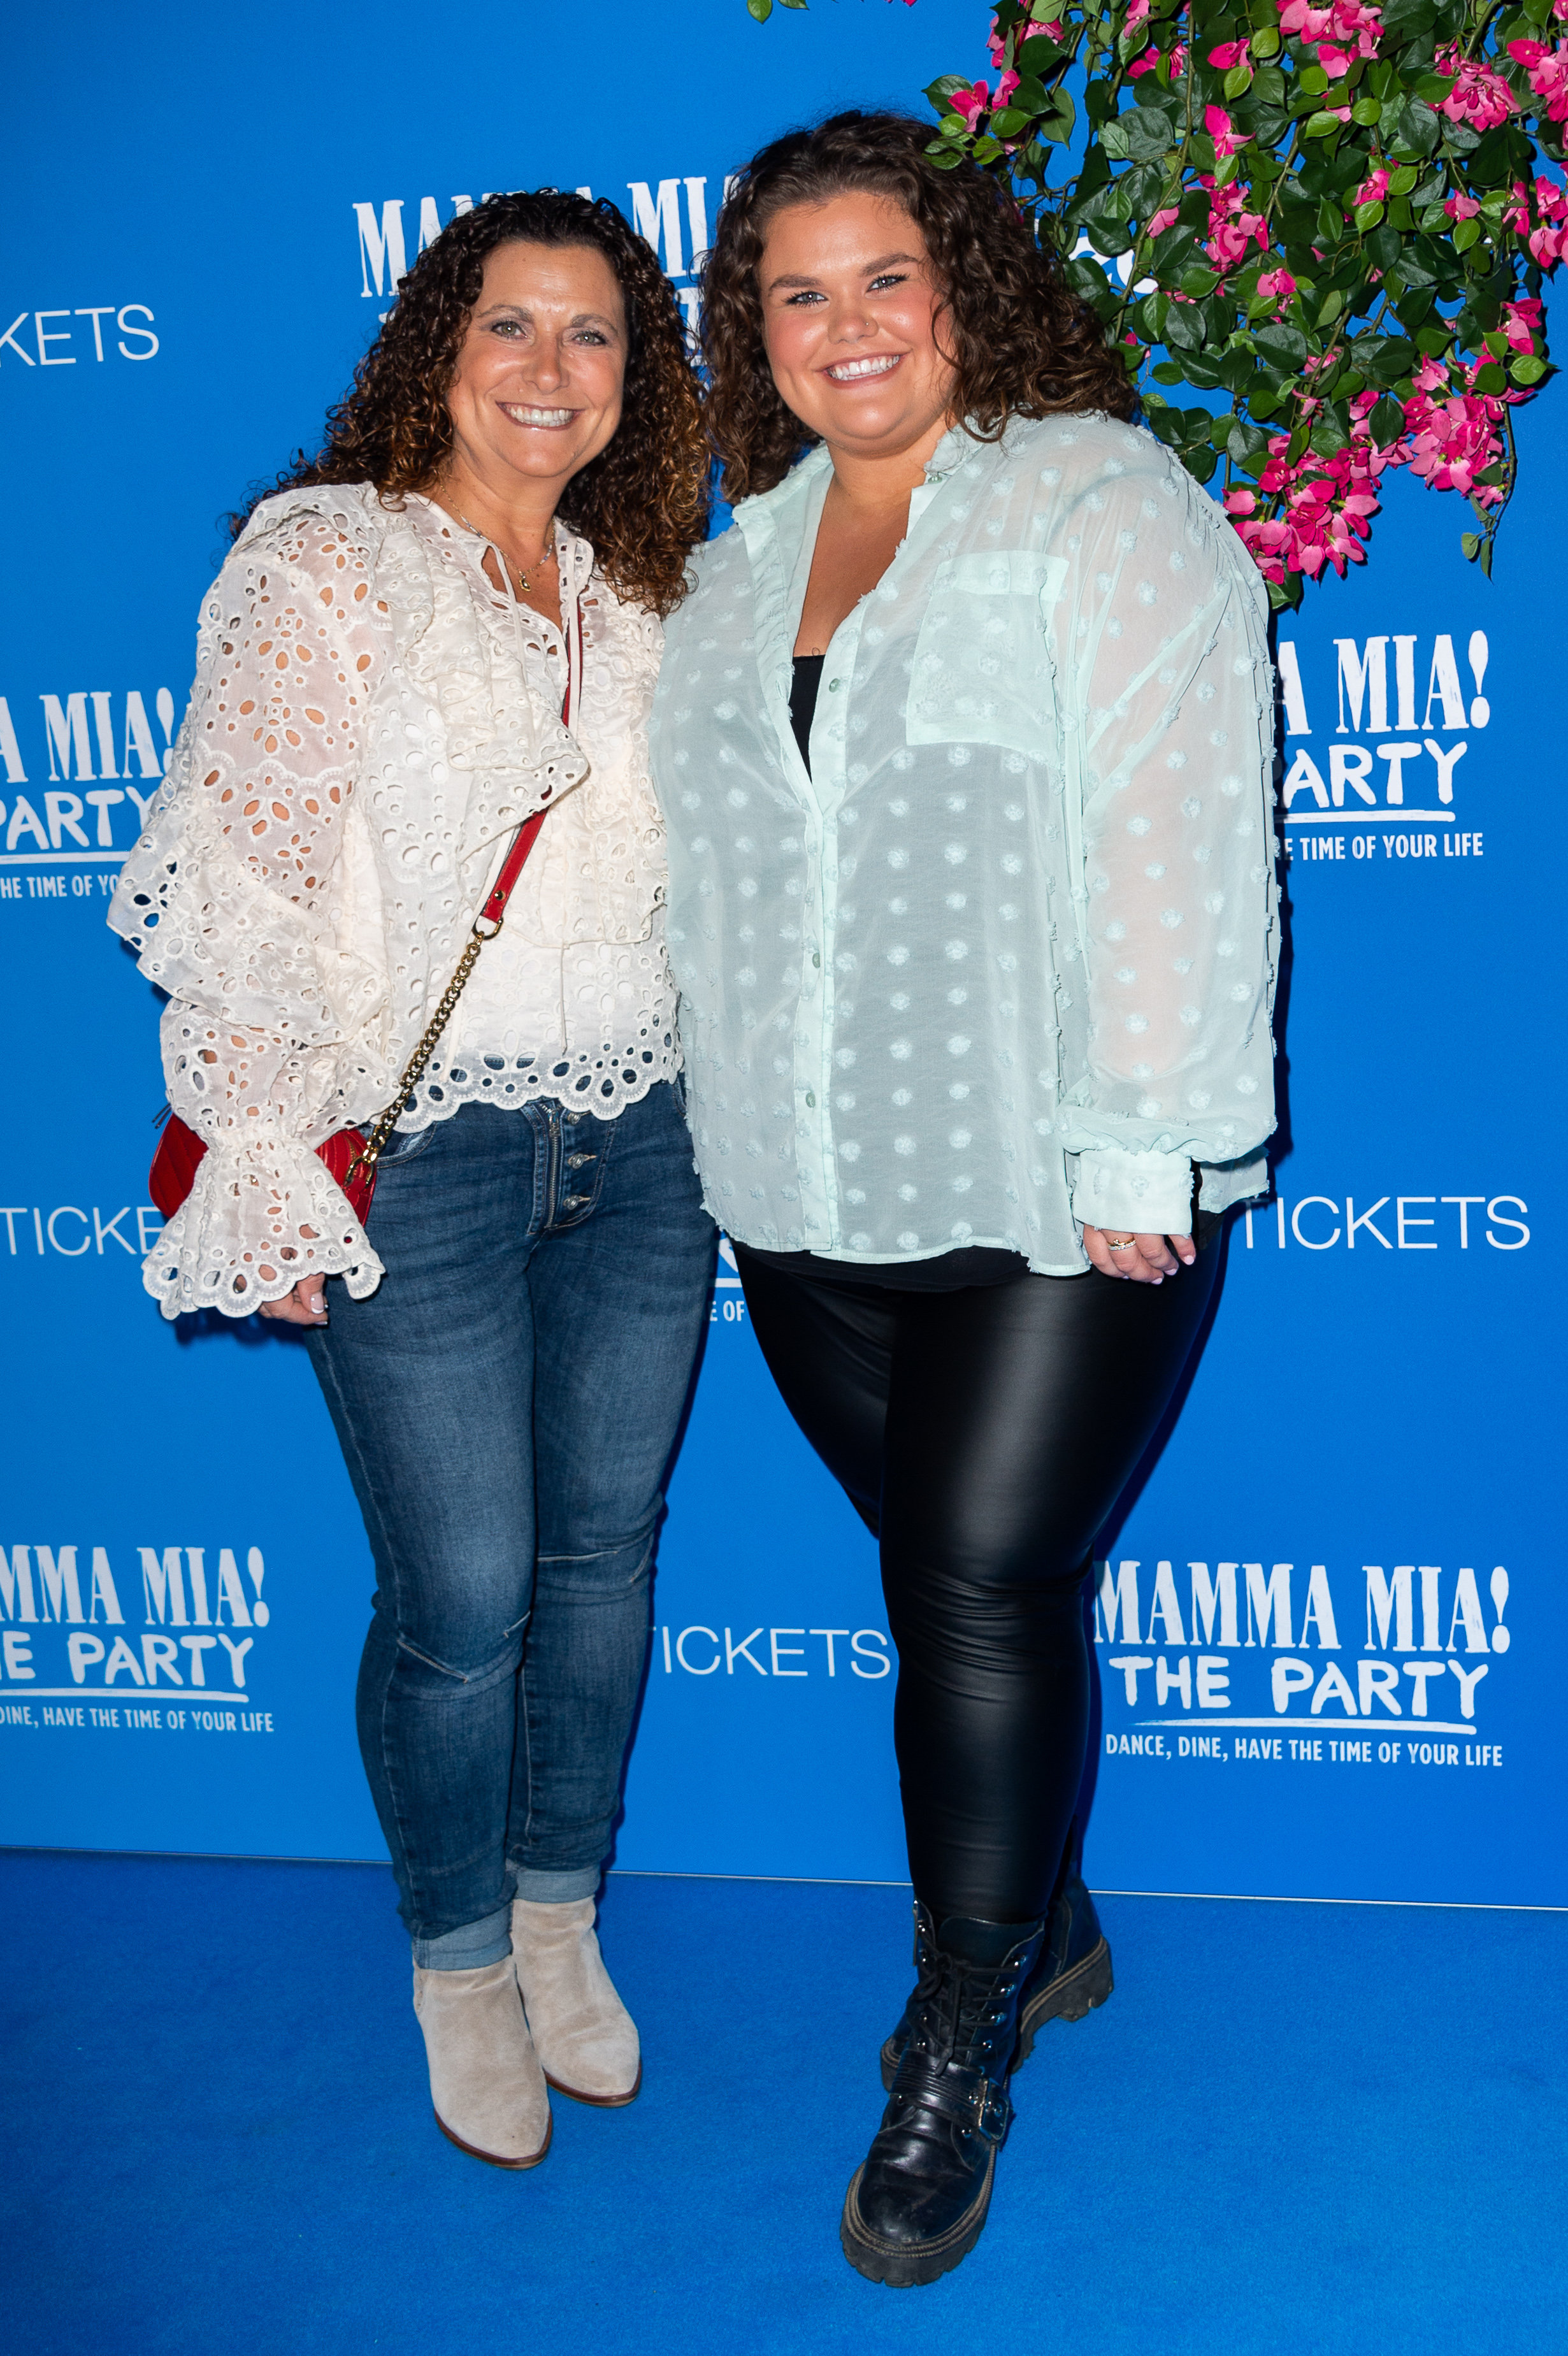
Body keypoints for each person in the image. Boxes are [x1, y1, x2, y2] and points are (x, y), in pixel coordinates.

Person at [651, 113, 1278, 2284]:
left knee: (982, 1583)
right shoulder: (739, 562)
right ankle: (1048, 1912)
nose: (847, 328)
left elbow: (1181, 830)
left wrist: (1144, 1140)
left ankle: (956, 2036)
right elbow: (713, 881)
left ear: (964, 288)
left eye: (885, 278)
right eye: (796, 292)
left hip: (1057, 1181)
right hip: (802, 1188)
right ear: (753, 330)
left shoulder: (1096, 500)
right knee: (950, 1585)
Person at [111, 192, 716, 2171]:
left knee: (602, 1564)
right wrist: (262, 1154)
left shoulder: (647, 590)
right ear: (436, 344)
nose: (550, 368)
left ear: (637, 379)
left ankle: (556, 1917)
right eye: (509, 324)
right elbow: (245, 876)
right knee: (463, 1592)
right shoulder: (329, 561)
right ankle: (457, 1957)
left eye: (594, 333)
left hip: (646, 1136)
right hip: (420, 1151)